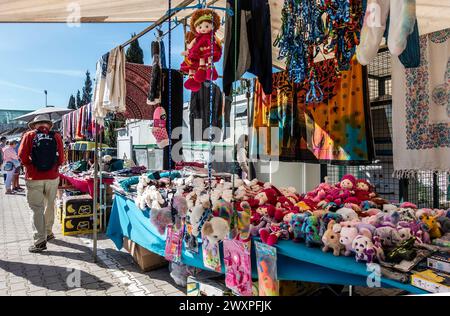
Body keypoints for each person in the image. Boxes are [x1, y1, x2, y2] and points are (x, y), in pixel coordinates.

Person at [19, 114, 64, 253]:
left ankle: (39, 241)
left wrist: (31, 166)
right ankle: (49, 232)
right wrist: (54, 166)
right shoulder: (56, 136)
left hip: (34, 177)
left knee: (37, 208)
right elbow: (62, 158)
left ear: (34, 125)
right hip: (52, 177)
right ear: (48, 125)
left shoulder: (29, 135)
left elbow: (21, 155)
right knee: (49, 205)